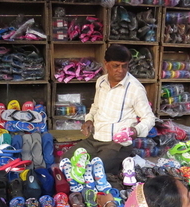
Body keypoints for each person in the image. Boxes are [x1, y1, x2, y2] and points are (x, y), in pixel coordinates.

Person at [63, 44, 155, 174]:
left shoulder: (135, 88)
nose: (120, 70)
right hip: (95, 139)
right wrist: (89, 120)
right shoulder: (100, 82)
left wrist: (135, 130)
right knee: (65, 162)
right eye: (116, 66)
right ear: (106, 64)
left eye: (124, 66)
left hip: (117, 144)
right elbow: (96, 106)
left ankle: (115, 168)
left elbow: (149, 118)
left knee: (91, 172)